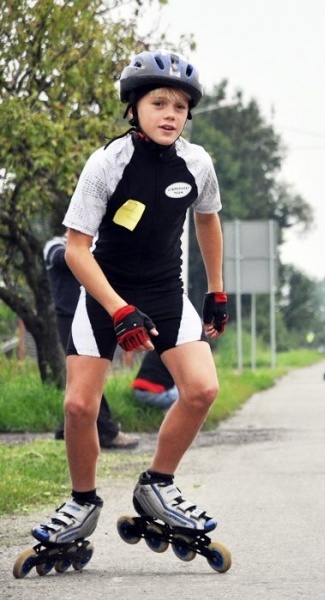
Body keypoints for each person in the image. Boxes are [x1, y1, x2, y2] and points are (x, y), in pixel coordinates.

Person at [25, 50, 230, 566]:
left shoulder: (197, 163)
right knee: (79, 407)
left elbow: (207, 219)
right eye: (159, 103)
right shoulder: (107, 163)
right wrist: (118, 309)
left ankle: (157, 485)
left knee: (202, 388)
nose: (170, 114)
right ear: (134, 107)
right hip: (105, 292)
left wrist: (216, 290)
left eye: (180, 107)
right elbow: (76, 249)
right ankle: (82, 501)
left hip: (165, 291)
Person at [44, 234, 138, 449]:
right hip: (68, 316)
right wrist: (84, 248)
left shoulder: (94, 245)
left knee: (85, 378)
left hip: (94, 313)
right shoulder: (54, 246)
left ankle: (67, 427)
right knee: (85, 377)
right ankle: (109, 432)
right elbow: (66, 258)